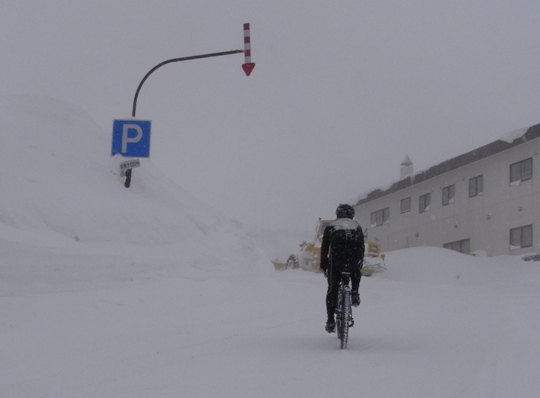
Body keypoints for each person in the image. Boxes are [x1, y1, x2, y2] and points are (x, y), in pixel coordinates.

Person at [320, 204, 365, 333]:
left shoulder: (332, 226)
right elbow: (362, 247)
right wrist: (359, 263)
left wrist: (324, 265)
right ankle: (355, 292)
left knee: (332, 289)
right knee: (355, 270)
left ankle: (330, 322)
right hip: (354, 255)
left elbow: (324, 248)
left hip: (337, 258)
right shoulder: (357, 226)